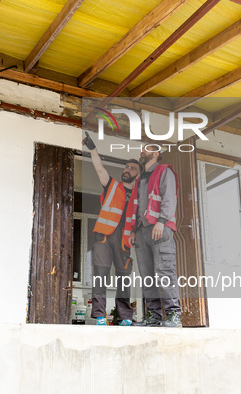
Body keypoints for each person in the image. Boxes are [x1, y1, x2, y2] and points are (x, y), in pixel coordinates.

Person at [82, 132, 142, 326]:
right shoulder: (112, 185)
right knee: (100, 275)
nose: (127, 169)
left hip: (124, 241)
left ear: (137, 174)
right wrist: (92, 149)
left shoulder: (139, 197)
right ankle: (100, 316)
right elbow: (99, 169)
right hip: (103, 237)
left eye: (132, 168)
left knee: (124, 279)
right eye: (126, 166)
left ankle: (124, 318)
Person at [129, 145, 182, 327]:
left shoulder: (163, 171)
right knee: (147, 276)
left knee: (165, 272)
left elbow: (169, 197)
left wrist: (162, 220)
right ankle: (154, 317)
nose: (141, 151)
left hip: (160, 228)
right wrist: (133, 230)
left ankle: (174, 316)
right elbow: (136, 206)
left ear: (156, 154)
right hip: (142, 231)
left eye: (146, 149)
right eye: (141, 149)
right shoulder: (139, 179)